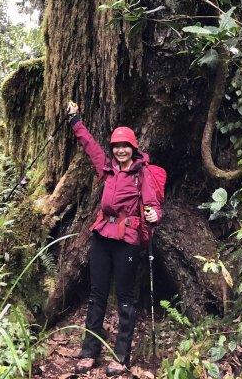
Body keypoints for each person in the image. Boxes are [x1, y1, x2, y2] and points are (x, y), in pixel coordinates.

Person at [66, 101, 162, 376]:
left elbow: (153, 205)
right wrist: (76, 121)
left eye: (125, 146)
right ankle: (89, 352)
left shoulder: (141, 174)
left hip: (127, 241)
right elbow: (89, 146)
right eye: (117, 146)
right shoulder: (107, 168)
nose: (120, 150)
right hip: (101, 237)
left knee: (125, 298)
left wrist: (155, 215)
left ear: (133, 148)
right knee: (96, 294)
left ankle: (121, 356)